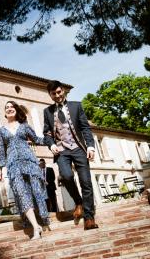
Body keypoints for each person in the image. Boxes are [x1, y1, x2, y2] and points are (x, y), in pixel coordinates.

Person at [43, 80, 99, 230]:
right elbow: (47, 134)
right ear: (50, 95)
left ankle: (89, 217)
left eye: (59, 92)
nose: (57, 95)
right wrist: (51, 144)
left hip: (79, 149)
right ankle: (78, 201)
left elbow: (85, 128)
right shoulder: (47, 112)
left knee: (85, 182)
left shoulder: (76, 106)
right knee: (66, 176)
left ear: (63, 91)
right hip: (62, 151)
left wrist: (91, 147)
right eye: (54, 94)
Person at [0, 101, 50, 240]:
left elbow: (37, 140)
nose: (9, 109)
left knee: (36, 192)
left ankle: (43, 219)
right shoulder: (2, 130)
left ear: (16, 110)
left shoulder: (24, 126)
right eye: (7, 107)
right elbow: (2, 152)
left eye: (12, 107)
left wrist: (52, 139)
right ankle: (35, 227)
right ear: (5, 112)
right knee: (21, 194)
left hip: (30, 162)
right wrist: (1, 169)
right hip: (14, 166)